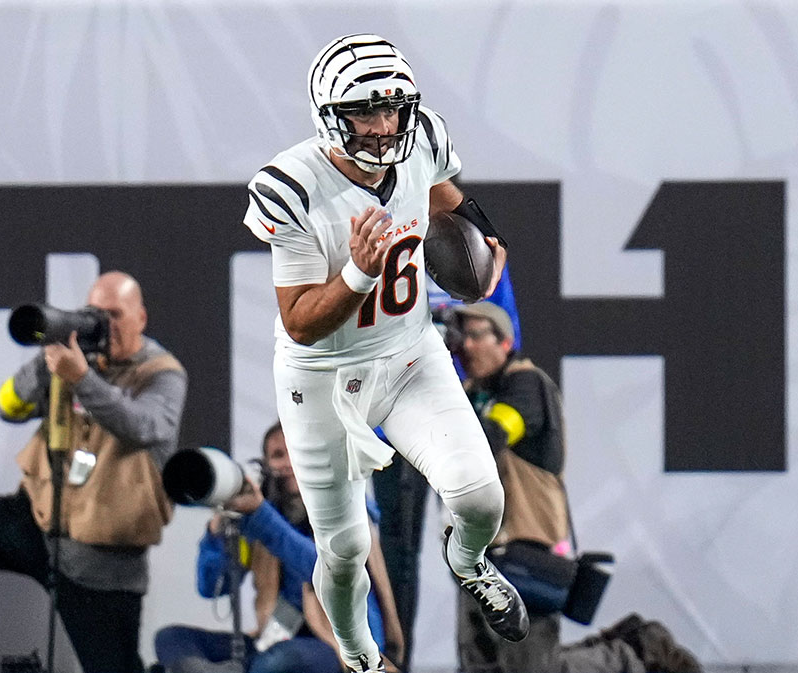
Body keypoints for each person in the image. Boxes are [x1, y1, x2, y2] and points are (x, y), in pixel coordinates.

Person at [241, 33, 527, 673]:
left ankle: (468, 560)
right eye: (364, 112)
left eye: (392, 108)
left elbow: (448, 199)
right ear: (329, 116)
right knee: (345, 550)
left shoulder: (422, 139)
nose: (382, 126)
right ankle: (359, 655)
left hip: (407, 354)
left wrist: (484, 240)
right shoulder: (292, 186)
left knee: (482, 498)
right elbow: (301, 323)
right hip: (321, 377)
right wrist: (358, 274)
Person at [0, 271, 188, 673]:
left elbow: (144, 427)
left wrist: (82, 378)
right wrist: (47, 358)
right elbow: (7, 408)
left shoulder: (162, 373)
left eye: (115, 314)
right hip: (41, 524)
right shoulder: (76, 361)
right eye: (94, 312)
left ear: (141, 318)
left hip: (102, 562)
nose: (103, 324)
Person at [451, 302, 699, 673]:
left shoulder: (526, 385)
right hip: (476, 555)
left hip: (524, 549)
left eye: (475, 335)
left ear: (505, 342)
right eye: (461, 338)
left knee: (535, 669)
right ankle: (626, 647)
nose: (465, 346)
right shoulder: (471, 393)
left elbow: (490, 438)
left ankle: (633, 652)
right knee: (480, 665)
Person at [153, 423, 404, 673]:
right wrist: (218, 529)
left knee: (277, 661)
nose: (288, 463)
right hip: (272, 639)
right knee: (171, 638)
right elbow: (210, 587)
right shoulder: (262, 512)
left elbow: (324, 569)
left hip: (339, 644)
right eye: (277, 455)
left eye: (296, 450)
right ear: (266, 464)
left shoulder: (347, 507)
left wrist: (261, 515)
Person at [372, 271, 523, 672]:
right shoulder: (383, 246)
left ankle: (480, 664)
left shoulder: (473, 248)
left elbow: (507, 335)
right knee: (396, 554)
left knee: (477, 545)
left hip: (458, 417)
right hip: (393, 420)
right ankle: (395, 661)